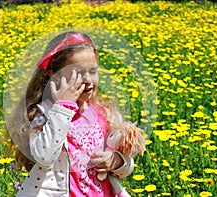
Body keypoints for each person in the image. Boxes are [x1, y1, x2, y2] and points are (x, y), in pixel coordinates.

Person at [10, 31, 135, 197]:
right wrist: (63, 107)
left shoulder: (104, 113)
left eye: (92, 71)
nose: (88, 81)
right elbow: (44, 156)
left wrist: (117, 161)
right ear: (53, 75)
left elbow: (126, 167)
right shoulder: (45, 115)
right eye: (77, 73)